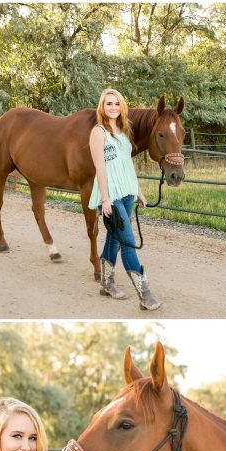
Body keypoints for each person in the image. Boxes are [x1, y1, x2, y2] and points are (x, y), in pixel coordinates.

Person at [89, 88, 161, 311]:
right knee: (129, 243)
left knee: (115, 238)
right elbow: (100, 167)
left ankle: (107, 284)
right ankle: (145, 295)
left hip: (128, 191)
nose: (113, 108)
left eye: (116, 104)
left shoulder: (123, 131)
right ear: (102, 107)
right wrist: (105, 199)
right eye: (108, 104)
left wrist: (138, 191)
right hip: (111, 194)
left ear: (121, 107)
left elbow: (127, 165)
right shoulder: (98, 132)